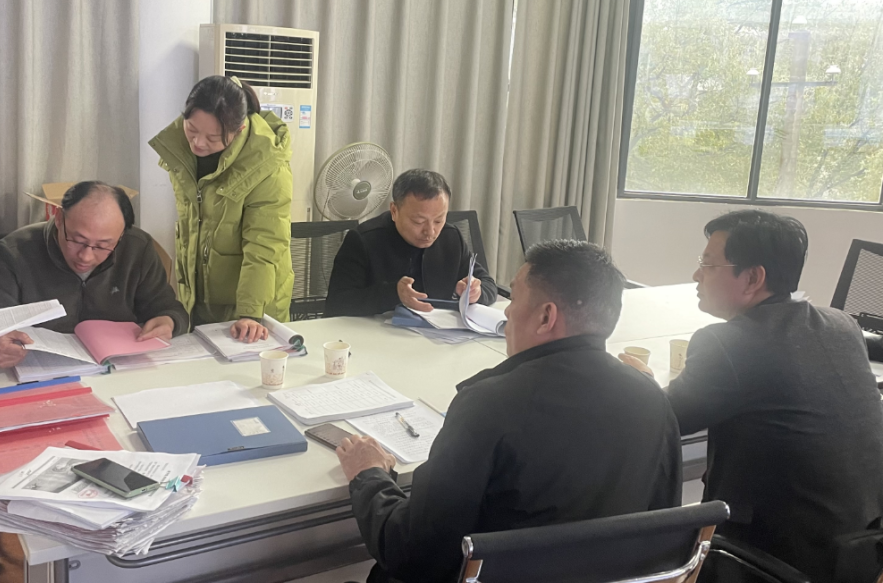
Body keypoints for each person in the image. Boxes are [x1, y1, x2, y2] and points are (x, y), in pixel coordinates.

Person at [337, 240, 682, 583]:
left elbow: (413, 554)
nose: (506, 313)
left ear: (546, 317)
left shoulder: (490, 405)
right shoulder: (652, 399)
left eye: (513, 299)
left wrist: (369, 476)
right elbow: (663, 535)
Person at [620, 210, 883, 581]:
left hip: (776, 558)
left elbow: (663, 420)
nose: (696, 275)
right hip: (861, 547)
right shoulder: (842, 324)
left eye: (708, 265)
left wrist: (640, 381)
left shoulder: (729, 343)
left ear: (753, 278)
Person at [0, 181, 188, 367]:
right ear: (59, 219)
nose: (86, 256)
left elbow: (168, 308)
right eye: (76, 240)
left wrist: (168, 321)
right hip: (34, 373)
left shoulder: (137, 248)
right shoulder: (14, 252)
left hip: (119, 370)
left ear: (121, 235)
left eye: (102, 246)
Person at [148, 75, 293, 343]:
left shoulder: (268, 165)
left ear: (239, 129)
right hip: (198, 295)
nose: (198, 143)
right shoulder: (180, 149)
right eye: (192, 129)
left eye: (213, 137)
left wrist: (251, 314)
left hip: (253, 304)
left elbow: (264, 246)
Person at [325, 169, 498, 317]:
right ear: (394, 211)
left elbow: (488, 284)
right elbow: (337, 303)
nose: (430, 232)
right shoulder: (363, 240)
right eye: (418, 221)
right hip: (379, 336)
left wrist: (476, 292)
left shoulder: (451, 238)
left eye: (438, 220)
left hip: (438, 337)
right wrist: (394, 294)